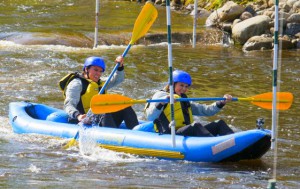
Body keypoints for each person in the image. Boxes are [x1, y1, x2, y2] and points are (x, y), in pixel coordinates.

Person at [144, 70, 234, 137]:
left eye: (186, 86)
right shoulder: (161, 95)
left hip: (185, 132)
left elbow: (207, 111)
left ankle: (234, 143)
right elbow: (150, 116)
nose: (184, 89)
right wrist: (163, 102)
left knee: (219, 124)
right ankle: (215, 145)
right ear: (172, 84)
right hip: (170, 134)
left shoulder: (184, 99)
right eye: (181, 85)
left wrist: (222, 102)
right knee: (195, 126)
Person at [60, 56, 139, 129]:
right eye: (95, 70)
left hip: (100, 119)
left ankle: (137, 133)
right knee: (102, 110)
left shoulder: (99, 84)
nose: (98, 73)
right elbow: (68, 105)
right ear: (86, 69)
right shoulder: (76, 84)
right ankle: (111, 138)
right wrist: (78, 116)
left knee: (124, 106)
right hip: (83, 120)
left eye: (100, 71)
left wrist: (120, 67)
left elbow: (117, 80)